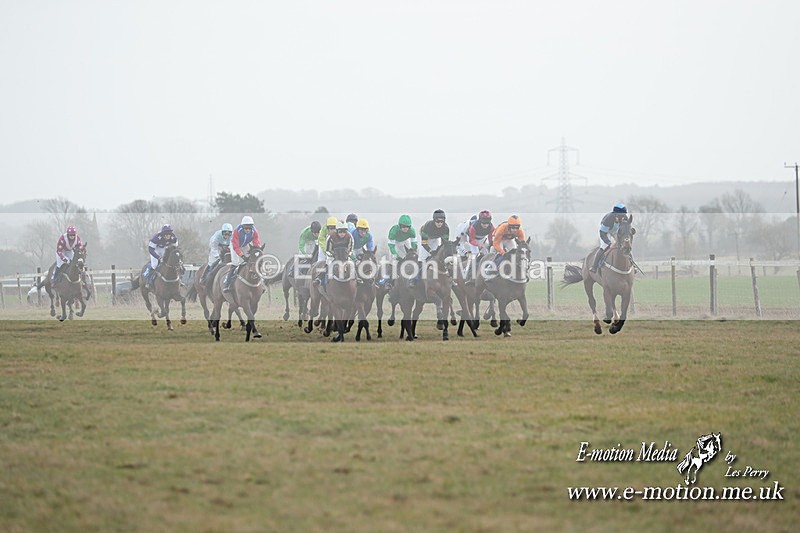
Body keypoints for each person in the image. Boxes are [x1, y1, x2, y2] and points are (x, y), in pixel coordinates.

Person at [223, 216, 262, 292]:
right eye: (246, 228)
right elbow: (236, 247)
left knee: (252, 261)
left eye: (249, 228)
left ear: (252, 227)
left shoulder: (254, 231)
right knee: (236, 263)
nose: (248, 230)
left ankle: (260, 282)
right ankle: (227, 283)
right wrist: (242, 256)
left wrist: (256, 249)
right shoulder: (237, 231)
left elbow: (256, 241)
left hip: (245, 245)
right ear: (242, 227)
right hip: (235, 245)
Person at [591, 203, 629, 272]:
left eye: (623, 215)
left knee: (626, 245)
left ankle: (632, 265)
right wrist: (609, 243)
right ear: (615, 214)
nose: (622, 218)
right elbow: (603, 233)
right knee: (604, 246)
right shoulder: (608, 219)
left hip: (616, 231)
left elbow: (626, 229)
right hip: (605, 232)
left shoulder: (625, 218)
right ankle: (594, 266)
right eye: (620, 216)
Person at [314, 220, 354, 287]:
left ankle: (357, 279)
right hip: (333, 255)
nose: (342, 234)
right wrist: (334, 256)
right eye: (340, 232)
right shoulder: (331, 236)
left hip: (345, 255)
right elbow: (327, 250)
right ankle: (320, 279)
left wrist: (348, 256)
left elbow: (350, 249)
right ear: (337, 230)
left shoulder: (349, 237)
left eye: (344, 231)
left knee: (352, 264)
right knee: (329, 264)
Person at [386, 214, 419, 287]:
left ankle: (413, 278)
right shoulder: (394, 230)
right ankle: (389, 281)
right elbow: (391, 246)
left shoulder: (412, 231)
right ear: (399, 225)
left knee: (411, 258)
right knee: (394, 261)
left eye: (407, 227)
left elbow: (414, 244)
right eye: (403, 226)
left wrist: (413, 252)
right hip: (395, 244)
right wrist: (396, 256)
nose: (405, 228)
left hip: (405, 241)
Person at [144, 224, 178, 289]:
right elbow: (151, 249)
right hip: (155, 250)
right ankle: (149, 281)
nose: (168, 236)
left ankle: (178, 279)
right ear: (163, 234)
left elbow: (174, 249)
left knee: (171, 263)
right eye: (167, 234)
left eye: (169, 234)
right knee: (154, 265)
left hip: (165, 249)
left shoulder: (174, 238)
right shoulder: (156, 238)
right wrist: (158, 258)